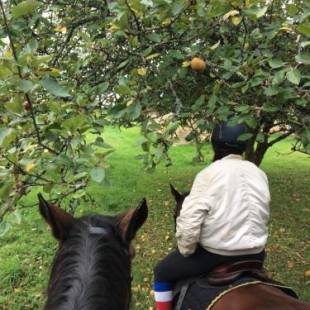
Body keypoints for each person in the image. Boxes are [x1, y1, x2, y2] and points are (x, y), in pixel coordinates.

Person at [153, 123, 271, 310]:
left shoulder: (208, 174)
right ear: (244, 144)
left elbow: (190, 221)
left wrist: (186, 250)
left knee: (161, 272)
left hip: (217, 255)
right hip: (257, 254)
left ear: (214, 144)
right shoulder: (259, 173)